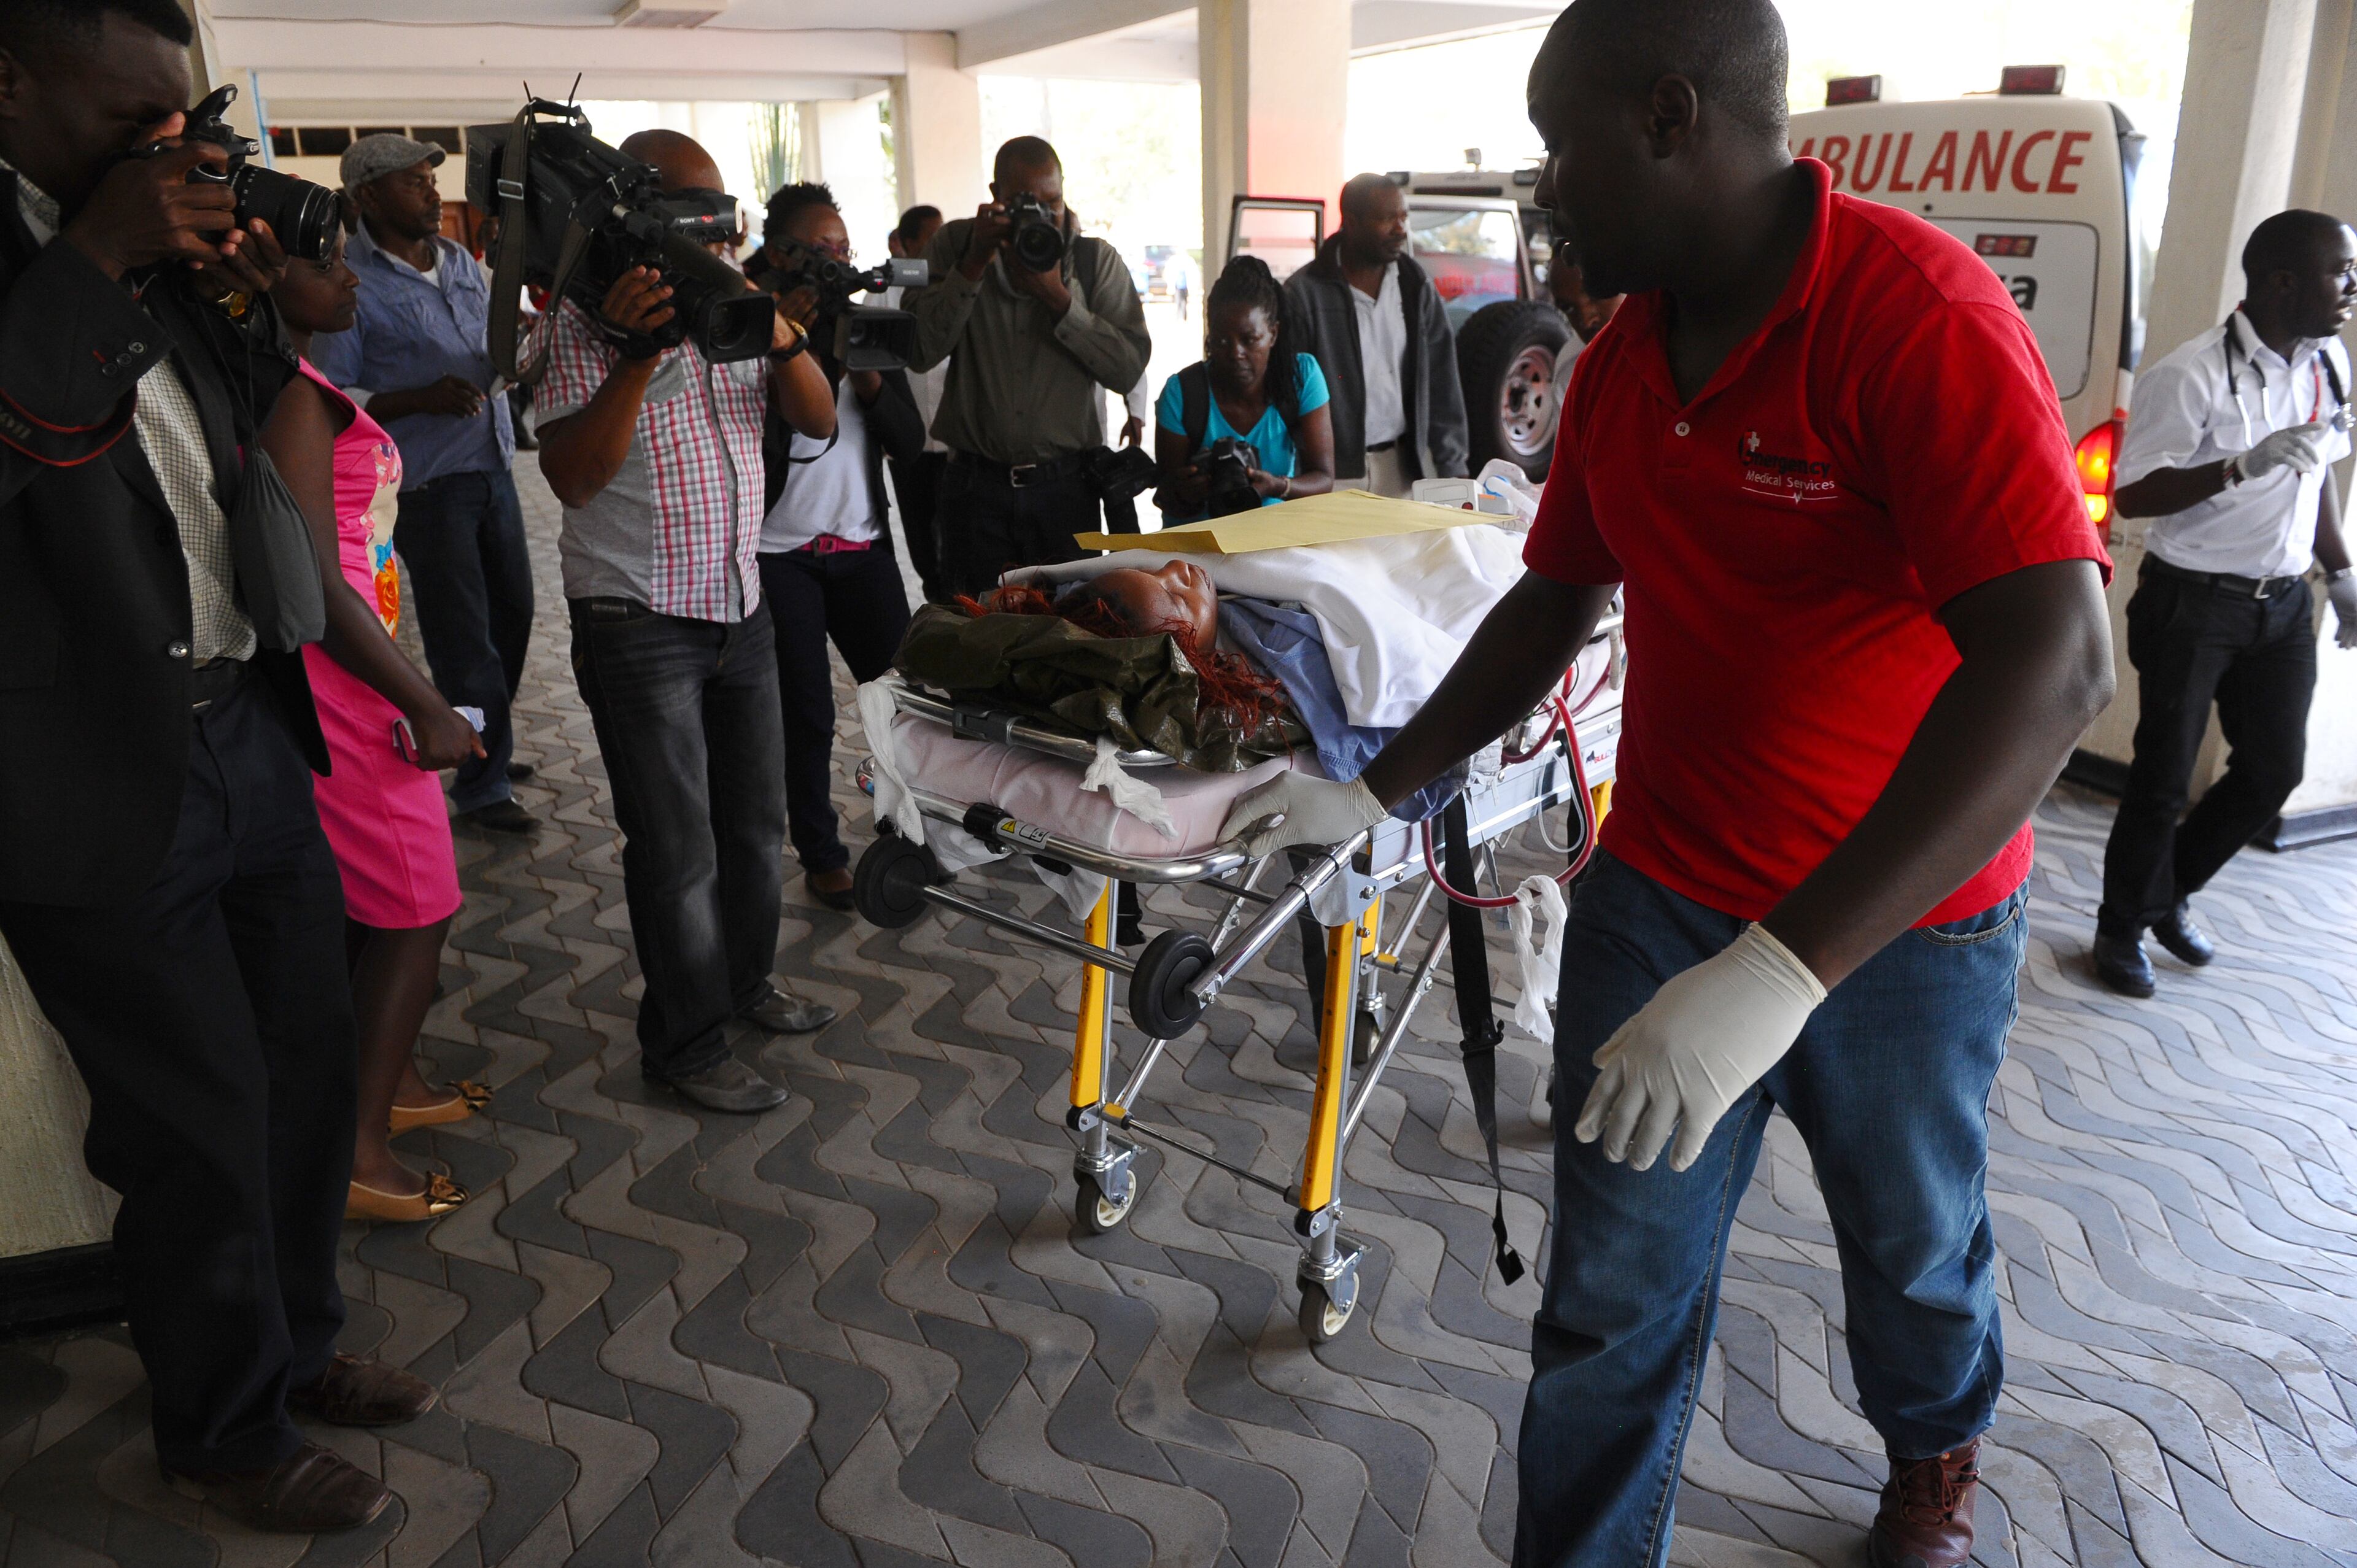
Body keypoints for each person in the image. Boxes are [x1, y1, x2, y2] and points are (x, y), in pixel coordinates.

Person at [1223, 3, 2117, 1565]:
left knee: (1909, 1255)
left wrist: (1783, 968)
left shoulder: (1913, 316)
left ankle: (1929, 1451)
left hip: (1902, 933)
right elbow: (1549, 601)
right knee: (1609, 1301)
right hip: (1663, 894)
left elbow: (2056, 666)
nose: (1545, 187)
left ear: (1666, 116)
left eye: (1559, 148)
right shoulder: (1624, 360)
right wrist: (1385, 787)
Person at [0, 0, 436, 1532]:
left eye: (178, 119)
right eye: (131, 122)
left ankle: (295, 1342)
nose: (166, 147)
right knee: (192, 1115)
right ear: (11, 82)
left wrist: (246, 294)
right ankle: (224, 1430)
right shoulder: (60, 256)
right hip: (83, 769)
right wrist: (96, 261)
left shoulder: (150, 241)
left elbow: (244, 435)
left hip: (246, 720)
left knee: (306, 1070)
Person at [534, 129, 838, 1114]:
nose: (710, 227)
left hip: (738, 604)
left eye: (720, 210)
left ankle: (744, 986)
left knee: (755, 829)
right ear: (635, 214)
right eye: (687, 211)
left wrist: (773, 323)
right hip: (638, 617)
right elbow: (574, 480)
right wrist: (636, 354)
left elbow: (821, 419)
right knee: (675, 851)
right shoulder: (581, 323)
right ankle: (686, 1042)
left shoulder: (734, 308)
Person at [262, 223, 487, 1225]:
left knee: (385, 906)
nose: (348, 276)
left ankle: (382, 1081)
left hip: (357, 676)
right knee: (417, 906)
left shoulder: (295, 382)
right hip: (347, 692)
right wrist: (422, 700)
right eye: (326, 263)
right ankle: (355, 1149)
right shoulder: (292, 400)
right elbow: (315, 578)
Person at [2091, 210, 2357, 997]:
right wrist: (2237, 467)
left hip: (2282, 607)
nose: (2353, 286)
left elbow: (2319, 476)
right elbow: (2134, 496)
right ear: (2282, 282)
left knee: (2273, 770)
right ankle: (2120, 928)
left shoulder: (2328, 364)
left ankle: (2166, 896)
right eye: (2340, 270)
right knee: (2164, 776)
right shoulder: (2194, 372)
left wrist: (2340, 574)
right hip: (2192, 603)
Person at [313, 133, 536, 835]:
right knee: (463, 633)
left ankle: (485, 737)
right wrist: (417, 398)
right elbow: (335, 391)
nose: (434, 195)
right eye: (415, 183)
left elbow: (487, 347)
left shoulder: (459, 264)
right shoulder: (351, 279)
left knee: (515, 614)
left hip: (492, 464)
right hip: (426, 485)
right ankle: (481, 784)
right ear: (369, 196)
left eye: (432, 182)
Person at [753, 182, 924, 913]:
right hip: (777, 550)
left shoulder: (867, 325)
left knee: (903, 701)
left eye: (845, 252)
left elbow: (912, 445)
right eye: (822, 252)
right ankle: (821, 851)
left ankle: (913, 836)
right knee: (808, 713)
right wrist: (781, 348)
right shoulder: (750, 324)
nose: (837, 266)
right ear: (780, 254)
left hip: (860, 547)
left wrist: (872, 381)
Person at [910, 135, 1151, 593]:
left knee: (1069, 632)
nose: (1043, 214)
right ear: (996, 196)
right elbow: (920, 350)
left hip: (1066, 489)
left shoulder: (1092, 259)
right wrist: (974, 265)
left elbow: (1126, 369)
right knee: (975, 636)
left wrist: (1059, 299)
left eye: (1053, 201)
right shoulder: (956, 246)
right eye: (1025, 202)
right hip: (974, 488)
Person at [1283, 173, 1469, 496]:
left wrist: (1453, 472)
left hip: (1405, 471)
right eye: (1387, 219)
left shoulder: (1416, 286)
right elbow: (1287, 396)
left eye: (1403, 217)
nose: (1401, 229)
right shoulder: (1304, 295)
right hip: (1332, 477)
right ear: (1351, 223)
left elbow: (1443, 385)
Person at [1153, 254, 1336, 522]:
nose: (1236, 353)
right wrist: (1189, 491)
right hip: (1196, 549)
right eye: (1222, 341)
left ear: (1273, 334)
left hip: (1271, 541)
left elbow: (1324, 479)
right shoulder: (1182, 394)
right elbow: (1165, 496)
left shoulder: (1301, 377)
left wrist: (1277, 486)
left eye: (1250, 340)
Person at [885, 203, 951, 601]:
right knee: (920, 535)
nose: (937, 245)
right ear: (907, 244)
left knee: (954, 533)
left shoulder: (956, 288)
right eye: (929, 237)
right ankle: (935, 598)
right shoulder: (882, 293)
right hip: (906, 442)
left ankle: (959, 606)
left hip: (951, 443)